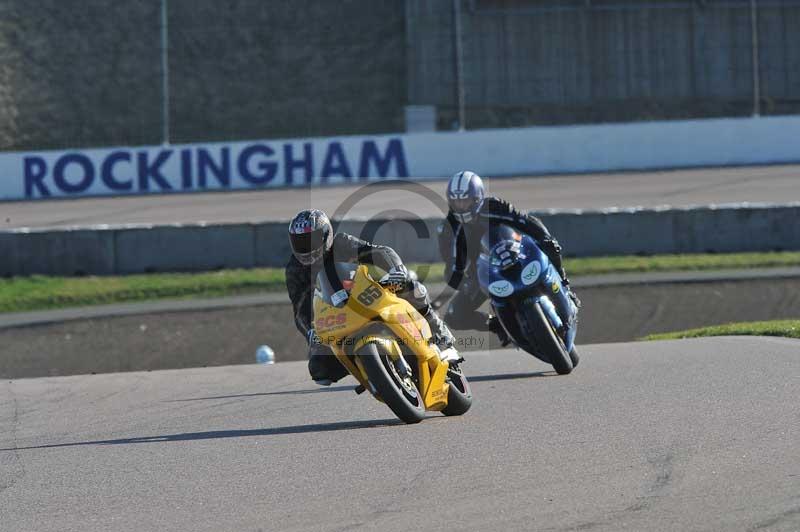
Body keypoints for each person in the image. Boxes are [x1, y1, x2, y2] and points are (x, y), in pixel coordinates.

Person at [286, 209, 456, 385]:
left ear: (326, 235)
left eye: (311, 240)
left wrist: (395, 269)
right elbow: (300, 310)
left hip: (369, 295)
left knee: (411, 286)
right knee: (319, 369)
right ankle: (369, 369)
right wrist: (310, 332)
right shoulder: (294, 269)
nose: (306, 247)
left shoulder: (342, 243)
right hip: (337, 317)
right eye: (300, 242)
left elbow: (380, 252)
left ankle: (438, 330)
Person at [438, 170, 580, 345]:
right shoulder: (448, 228)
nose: (461, 206)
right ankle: (499, 326)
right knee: (454, 316)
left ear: (477, 198)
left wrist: (545, 238)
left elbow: (527, 221)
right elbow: (452, 265)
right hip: (484, 272)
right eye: (456, 202)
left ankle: (565, 285)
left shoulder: (494, 207)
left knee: (550, 246)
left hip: (516, 253)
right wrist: (464, 282)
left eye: (465, 200)